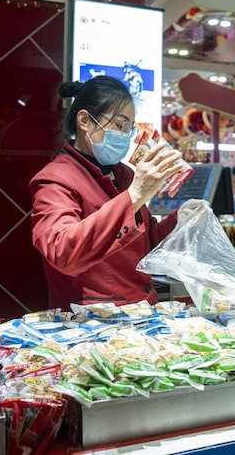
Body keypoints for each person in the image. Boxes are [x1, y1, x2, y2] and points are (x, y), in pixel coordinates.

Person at [29, 75, 184, 310]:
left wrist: (181, 220)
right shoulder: (55, 179)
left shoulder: (125, 175)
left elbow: (145, 242)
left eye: (128, 129)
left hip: (140, 314)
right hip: (91, 322)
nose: (124, 135)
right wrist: (134, 196)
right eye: (119, 124)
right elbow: (62, 252)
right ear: (84, 120)